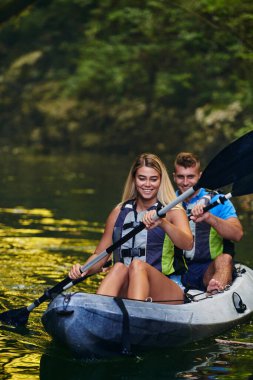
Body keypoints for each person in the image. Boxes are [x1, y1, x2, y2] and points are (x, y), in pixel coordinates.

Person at [69, 153, 193, 304]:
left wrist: (163, 223)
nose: (147, 184)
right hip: (128, 286)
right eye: (142, 178)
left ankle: (135, 315)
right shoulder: (118, 212)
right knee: (119, 267)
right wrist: (83, 269)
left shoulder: (173, 211)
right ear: (134, 179)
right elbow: (99, 256)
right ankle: (98, 312)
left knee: (138, 266)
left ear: (161, 181)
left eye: (153, 179)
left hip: (167, 289)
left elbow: (188, 244)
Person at [173, 152, 243, 293]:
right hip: (176, 269)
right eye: (181, 177)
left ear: (200, 176)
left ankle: (214, 292)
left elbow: (237, 234)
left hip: (208, 268)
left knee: (225, 259)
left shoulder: (218, 201)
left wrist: (210, 218)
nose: (185, 182)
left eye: (191, 177)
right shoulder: (167, 203)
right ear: (174, 177)